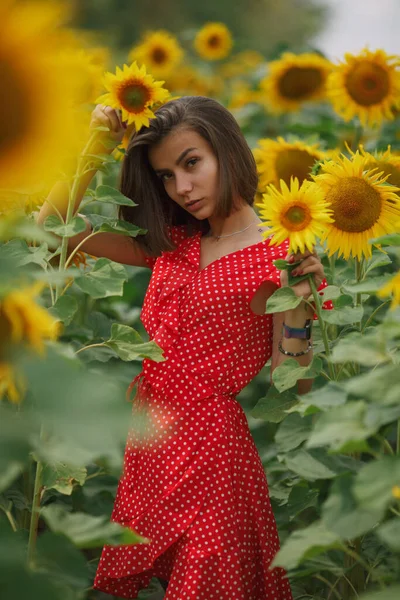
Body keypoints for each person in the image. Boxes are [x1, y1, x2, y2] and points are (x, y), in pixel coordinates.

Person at [38, 96, 326, 599]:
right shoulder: (173, 241)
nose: (182, 188)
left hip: (212, 455)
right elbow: (51, 233)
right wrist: (97, 148)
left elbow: (294, 381)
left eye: (191, 163)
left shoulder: (279, 251)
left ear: (227, 150)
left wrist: (301, 304)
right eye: (167, 176)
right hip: (151, 445)